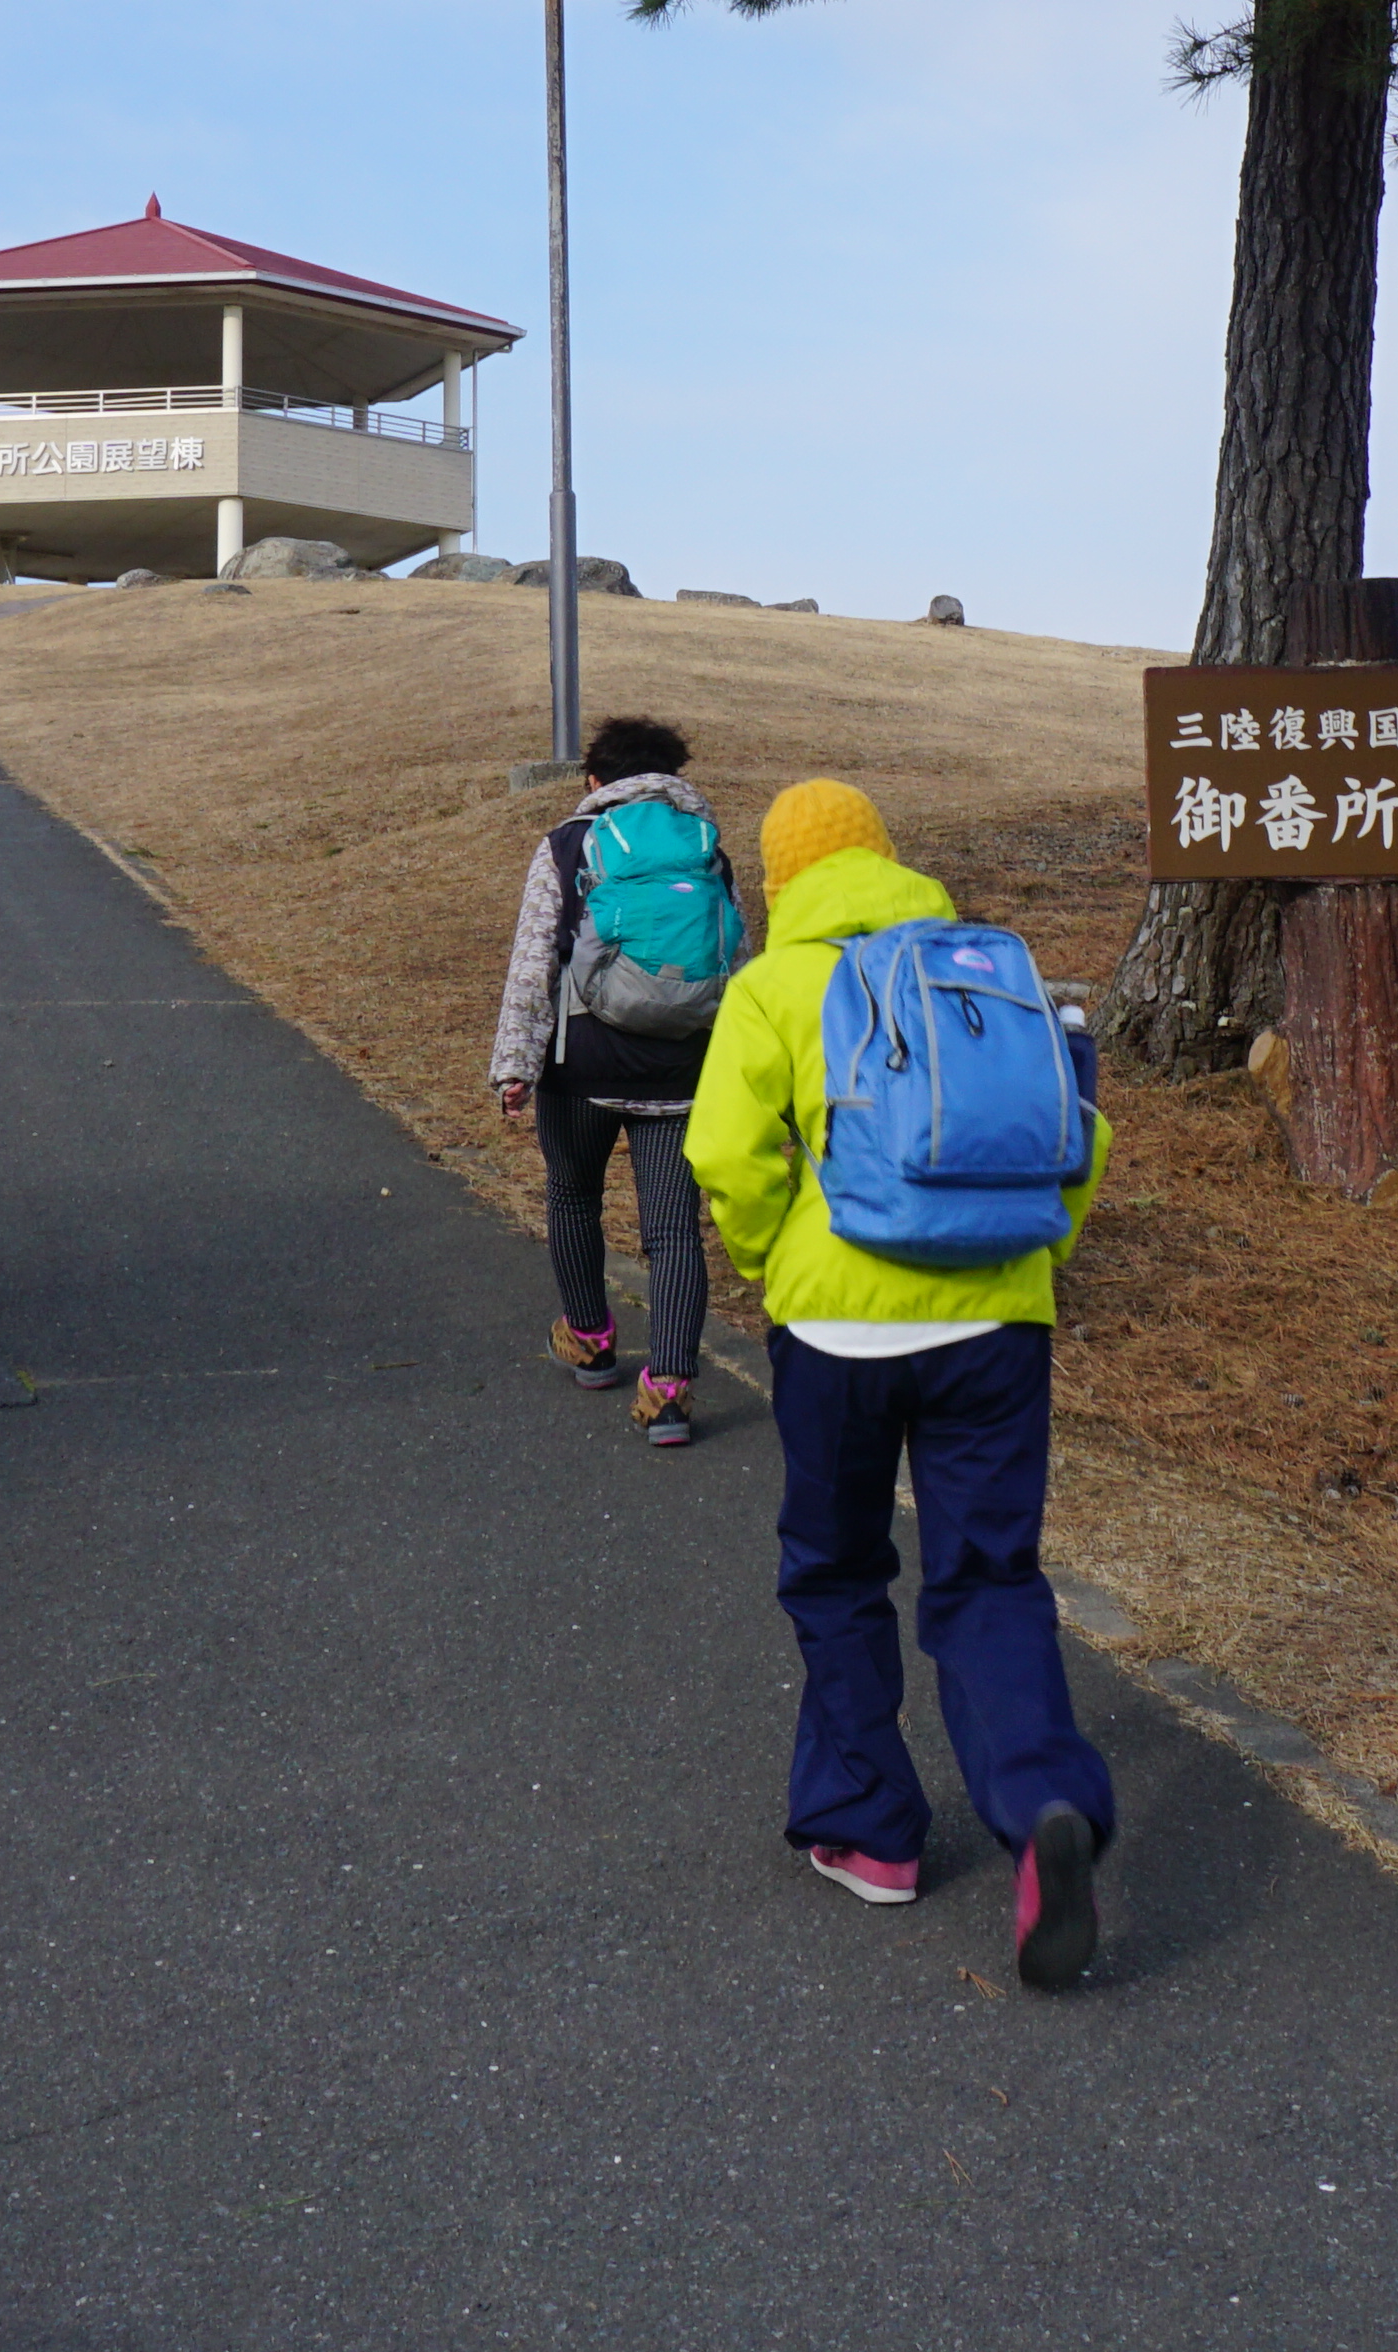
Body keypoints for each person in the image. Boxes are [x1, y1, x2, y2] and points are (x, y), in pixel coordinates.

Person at [686, 777, 1118, 1991]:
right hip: (996, 1321)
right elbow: (1077, 1128)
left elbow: (723, 1151)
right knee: (990, 1577)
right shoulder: (983, 969)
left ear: (780, 880)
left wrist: (775, 1260)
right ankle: (1042, 1810)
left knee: (837, 1569)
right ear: (888, 855)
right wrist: (1033, 1260)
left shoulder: (774, 985)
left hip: (835, 1329)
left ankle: (870, 1829)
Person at [490, 713, 740, 1449]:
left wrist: (515, 1064)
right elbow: (736, 959)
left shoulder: (568, 843)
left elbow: (534, 960)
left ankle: (591, 1340)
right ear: (672, 778)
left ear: (596, 779)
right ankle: (669, 1391)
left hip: (582, 1066)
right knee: (672, 1230)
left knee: (573, 1196)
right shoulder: (707, 848)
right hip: (682, 1069)